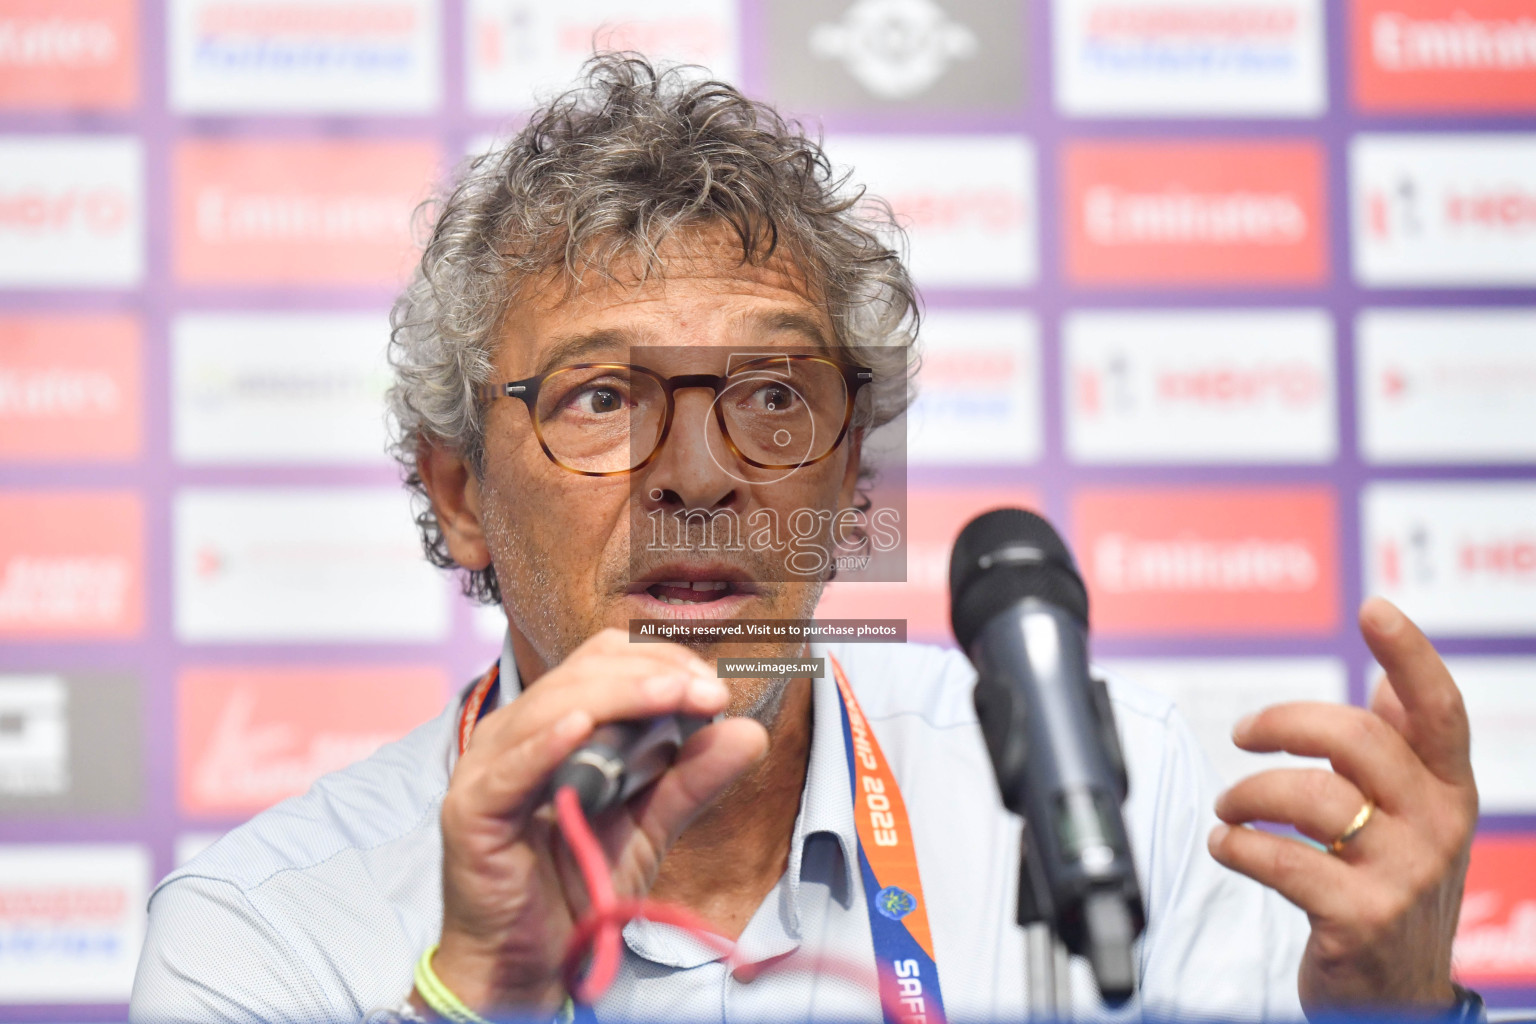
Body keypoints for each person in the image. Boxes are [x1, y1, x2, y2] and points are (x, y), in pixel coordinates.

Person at [130, 55, 1481, 1024]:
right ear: (464, 491)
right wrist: (482, 999)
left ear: (848, 480)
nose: (704, 475)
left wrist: (1400, 1012)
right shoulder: (262, 937)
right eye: (605, 398)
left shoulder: (1107, 804)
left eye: (775, 397)